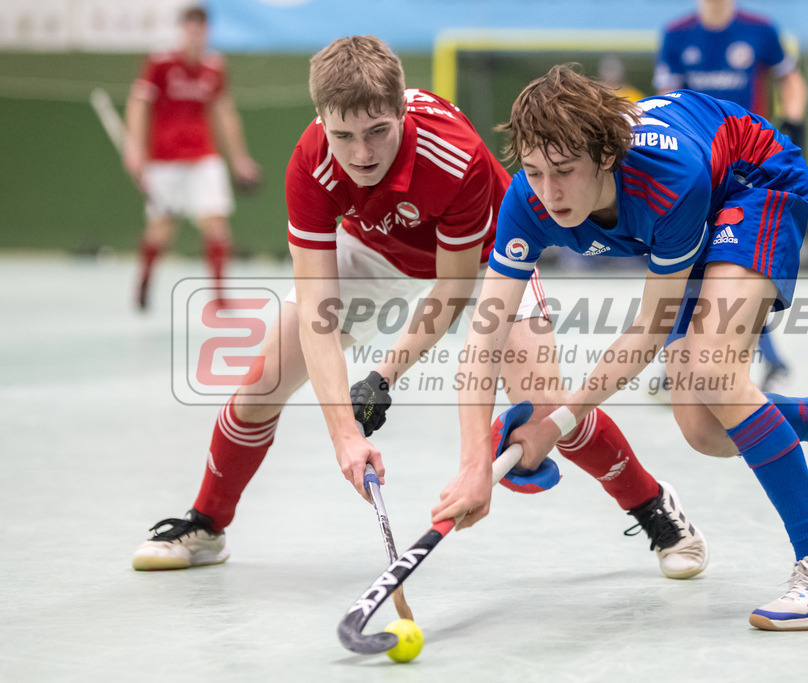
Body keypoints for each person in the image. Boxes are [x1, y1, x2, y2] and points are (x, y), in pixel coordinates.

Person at [131, 36, 708, 581]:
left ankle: (655, 508)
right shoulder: (310, 163)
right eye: (343, 135)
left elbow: (452, 291)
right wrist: (344, 438)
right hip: (374, 250)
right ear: (321, 120)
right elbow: (316, 311)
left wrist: (385, 374)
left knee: (546, 409)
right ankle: (207, 526)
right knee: (262, 382)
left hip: (486, 257)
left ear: (401, 115)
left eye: (378, 132)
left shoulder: (449, 155)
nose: (361, 154)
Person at [432, 65, 808, 631]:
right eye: (533, 172)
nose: (548, 193)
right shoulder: (527, 200)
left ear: (604, 156)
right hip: (695, 219)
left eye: (564, 172)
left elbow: (652, 326)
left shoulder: (666, 177)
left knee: (712, 371)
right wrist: (474, 464)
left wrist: (555, 422)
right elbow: (484, 336)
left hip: (753, 181)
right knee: (705, 430)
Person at [655, 0, 808, 389]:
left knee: (728, 260)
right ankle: (753, 358)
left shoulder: (760, 29)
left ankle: (682, 357)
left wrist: (793, 122)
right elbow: (667, 100)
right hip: (697, 168)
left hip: (750, 166)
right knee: (699, 260)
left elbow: (790, 79)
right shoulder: (677, 35)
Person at [123, 5, 261, 310]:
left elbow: (224, 112)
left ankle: (220, 297)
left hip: (203, 157)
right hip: (164, 160)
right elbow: (138, 104)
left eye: (202, 30)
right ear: (182, 30)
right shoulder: (160, 63)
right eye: (191, 29)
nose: (196, 36)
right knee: (161, 229)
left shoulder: (214, 66)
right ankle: (144, 281)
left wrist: (239, 158)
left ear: (207, 31)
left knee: (216, 223)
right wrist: (134, 149)